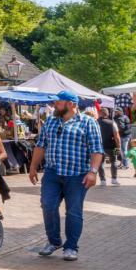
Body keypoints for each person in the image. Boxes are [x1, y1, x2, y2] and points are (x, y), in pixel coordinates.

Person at [30, 89, 104, 261]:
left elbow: (97, 150)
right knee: (48, 205)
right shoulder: (50, 121)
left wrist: (93, 172)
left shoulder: (88, 123)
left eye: (58, 102)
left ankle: (71, 247)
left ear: (71, 104)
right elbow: (41, 145)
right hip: (52, 173)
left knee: (73, 211)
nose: (55, 105)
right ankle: (54, 241)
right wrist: (33, 166)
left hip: (77, 175)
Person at [95, 107, 122, 186]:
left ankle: (103, 180)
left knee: (100, 163)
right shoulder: (112, 122)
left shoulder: (95, 122)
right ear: (108, 114)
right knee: (114, 161)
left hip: (99, 145)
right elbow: (117, 136)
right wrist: (119, 147)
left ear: (100, 113)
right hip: (112, 145)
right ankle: (114, 179)